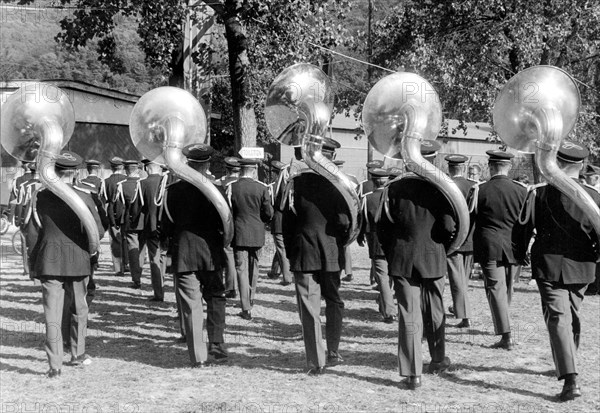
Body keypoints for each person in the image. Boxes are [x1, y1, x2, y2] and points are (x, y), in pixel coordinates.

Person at [515, 141, 600, 401]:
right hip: (582, 267)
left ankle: (570, 376)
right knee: (567, 316)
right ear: (582, 165)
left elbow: (522, 229)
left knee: (560, 318)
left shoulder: (538, 192)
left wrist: (519, 258)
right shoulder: (595, 196)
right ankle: (568, 364)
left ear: (556, 161)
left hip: (549, 265)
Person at [377, 140, 455, 390]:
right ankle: (438, 359)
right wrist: (440, 246)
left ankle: (413, 374)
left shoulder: (393, 187)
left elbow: (382, 227)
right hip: (433, 256)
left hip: (402, 257)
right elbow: (449, 226)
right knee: (435, 309)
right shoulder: (443, 188)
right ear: (434, 158)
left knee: (408, 314)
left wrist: (394, 252)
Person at [29, 151, 105, 378]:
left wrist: (33, 265)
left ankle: (54, 365)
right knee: (79, 309)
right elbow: (98, 232)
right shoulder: (85, 196)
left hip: (49, 262)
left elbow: (32, 232)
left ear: (55, 170)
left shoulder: (39, 196)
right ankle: (78, 353)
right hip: (79, 260)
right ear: (76, 173)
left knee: (52, 314)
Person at [281, 137, 350, 374]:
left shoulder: (295, 182)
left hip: (304, 251)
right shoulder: (341, 184)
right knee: (334, 301)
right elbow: (345, 222)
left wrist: (292, 253)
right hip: (331, 251)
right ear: (330, 157)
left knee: (309, 307)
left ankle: (315, 361)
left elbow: (286, 222)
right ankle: (333, 351)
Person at [161, 143, 228, 366]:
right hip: (210, 252)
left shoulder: (172, 191)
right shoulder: (218, 190)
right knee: (216, 296)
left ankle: (198, 356)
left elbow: (166, 225)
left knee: (191, 304)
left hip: (183, 253)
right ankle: (216, 343)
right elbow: (226, 223)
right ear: (207, 163)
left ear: (187, 163)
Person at [470, 150, 527, 350]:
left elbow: (470, 220)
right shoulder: (522, 190)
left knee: (495, 288)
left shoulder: (480, 189)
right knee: (506, 288)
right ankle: (505, 324)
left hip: (489, 244)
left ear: (490, 167)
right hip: (514, 246)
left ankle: (506, 335)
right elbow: (525, 222)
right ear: (509, 167)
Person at [227, 158, 274, 320]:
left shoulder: (232, 187)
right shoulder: (261, 188)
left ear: (241, 170)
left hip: (239, 232)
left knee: (241, 268)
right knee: (255, 267)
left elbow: (228, 212)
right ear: (254, 170)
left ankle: (245, 306)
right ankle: (251, 296)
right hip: (256, 232)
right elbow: (268, 213)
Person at [357, 167, 396, 323]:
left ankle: (389, 311)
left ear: (372, 181)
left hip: (377, 243)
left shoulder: (367, 198)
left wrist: (360, 236)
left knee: (382, 278)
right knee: (392, 276)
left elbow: (362, 220)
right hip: (394, 244)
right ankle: (387, 304)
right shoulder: (394, 197)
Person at [445, 154, 476, 328]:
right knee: (463, 279)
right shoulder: (473, 186)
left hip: (454, 240)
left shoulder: (446, 186)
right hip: (470, 239)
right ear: (463, 168)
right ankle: (461, 310)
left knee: (457, 280)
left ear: (449, 168)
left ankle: (465, 316)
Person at [136, 159, 167, 301]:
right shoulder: (167, 182)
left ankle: (159, 292)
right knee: (163, 257)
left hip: (151, 226)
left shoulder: (142, 183)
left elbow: (138, 208)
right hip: (166, 226)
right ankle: (163, 282)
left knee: (154, 259)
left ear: (148, 169)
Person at [114, 160, 145, 289]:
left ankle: (136, 279)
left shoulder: (122, 185)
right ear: (137, 169)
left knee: (133, 249)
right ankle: (140, 271)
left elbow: (120, 207)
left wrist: (118, 222)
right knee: (142, 250)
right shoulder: (144, 184)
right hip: (144, 220)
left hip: (130, 222)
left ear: (126, 170)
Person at [216, 156, 241, 298]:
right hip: (242, 225)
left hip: (226, 224)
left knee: (228, 254)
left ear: (227, 169)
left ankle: (231, 286)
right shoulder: (242, 183)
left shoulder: (219, 184)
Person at [101, 157, 128, 276]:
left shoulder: (106, 182)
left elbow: (104, 199)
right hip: (126, 213)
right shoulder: (128, 180)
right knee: (126, 239)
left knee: (115, 240)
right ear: (122, 167)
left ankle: (118, 267)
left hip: (112, 212)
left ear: (111, 168)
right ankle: (127, 263)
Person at [267, 160, 293, 286]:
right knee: (280, 247)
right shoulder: (290, 186)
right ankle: (274, 271)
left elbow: (270, 207)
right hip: (288, 222)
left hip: (278, 221)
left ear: (275, 173)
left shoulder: (273, 186)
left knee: (281, 249)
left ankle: (287, 277)